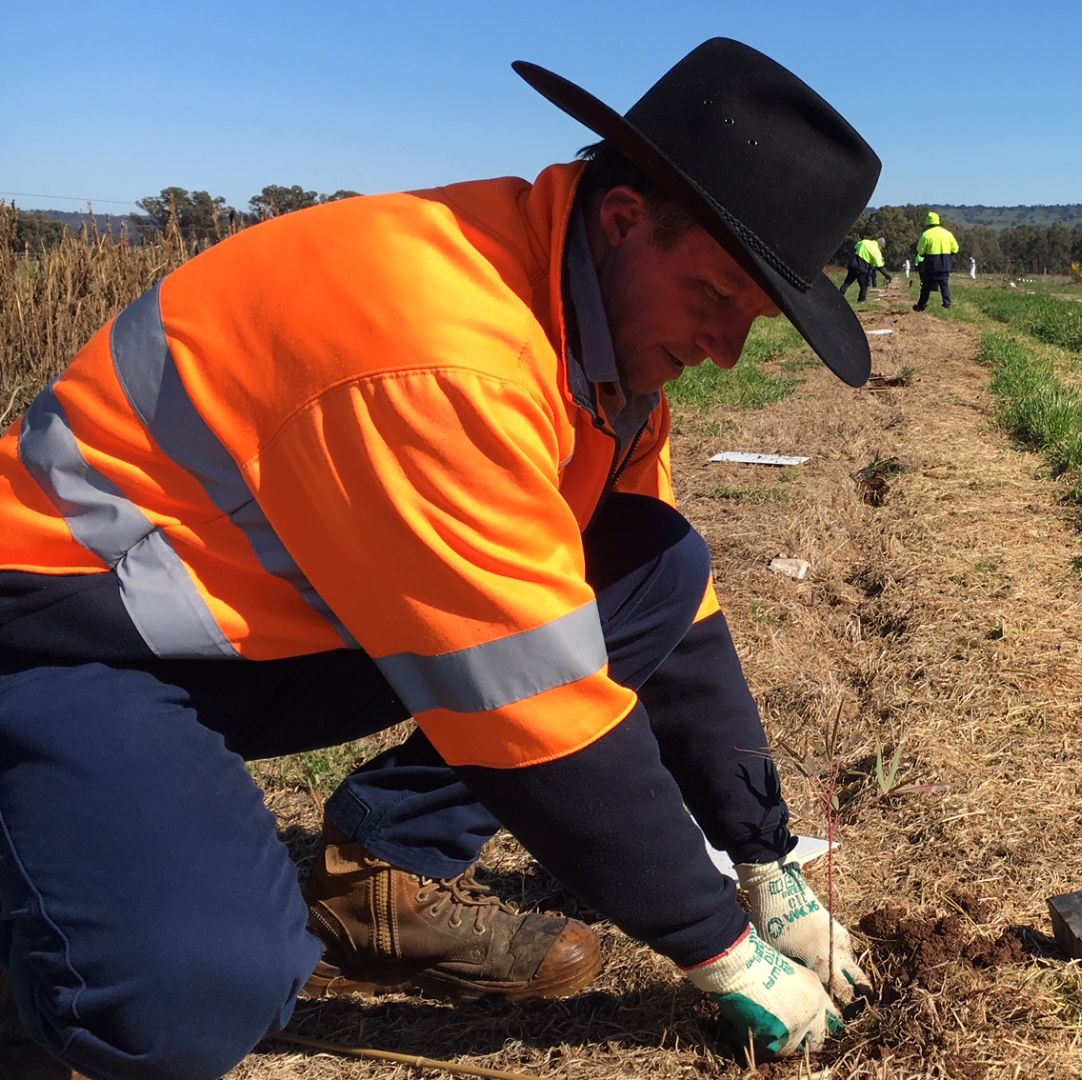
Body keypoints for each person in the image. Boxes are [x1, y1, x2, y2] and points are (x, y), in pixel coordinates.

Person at [0, 38, 881, 1079]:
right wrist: (720, 949)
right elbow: (538, 714)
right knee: (196, 991)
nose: (727, 348)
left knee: (653, 564)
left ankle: (379, 869)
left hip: (253, 625)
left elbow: (672, 619)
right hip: (67, 634)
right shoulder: (445, 348)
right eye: (715, 298)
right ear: (627, 220)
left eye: (757, 317)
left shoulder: (597, 351)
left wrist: (765, 857)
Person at [912, 211, 960, 311]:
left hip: (931, 265)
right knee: (944, 285)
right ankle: (947, 305)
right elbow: (955, 249)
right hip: (944, 264)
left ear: (928, 223)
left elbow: (920, 251)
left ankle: (921, 305)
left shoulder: (926, 235)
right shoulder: (948, 234)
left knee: (926, 287)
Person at [839, 235, 891, 301]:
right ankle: (861, 301)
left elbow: (855, 247)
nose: (881, 249)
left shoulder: (865, 241)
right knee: (864, 286)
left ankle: (839, 296)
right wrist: (887, 275)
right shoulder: (876, 251)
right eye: (882, 248)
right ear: (880, 245)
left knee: (847, 282)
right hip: (862, 269)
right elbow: (880, 266)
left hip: (853, 265)